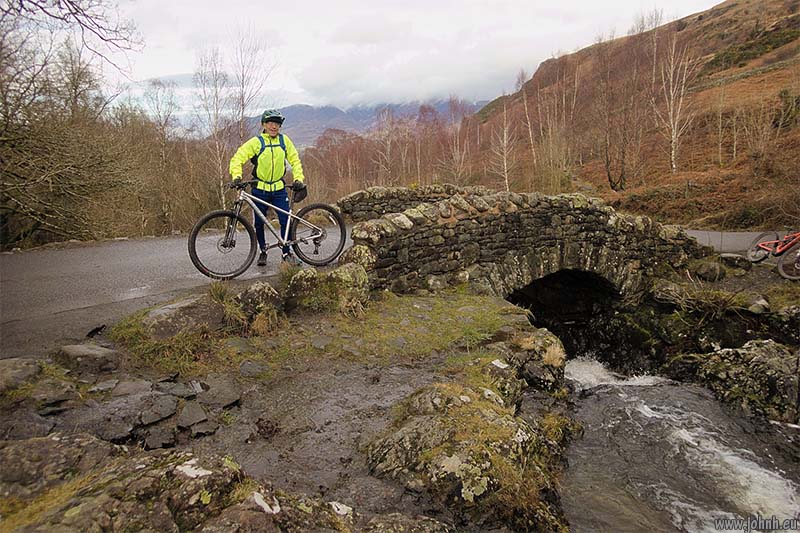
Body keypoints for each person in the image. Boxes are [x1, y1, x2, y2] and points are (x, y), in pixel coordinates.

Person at [229, 109, 308, 266]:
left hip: (279, 189)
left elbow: (295, 160)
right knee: (259, 223)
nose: (274, 126)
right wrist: (236, 176)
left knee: (286, 221)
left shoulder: (284, 141)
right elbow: (237, 158)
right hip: (260, 189)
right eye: (270, 123)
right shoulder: (257, 142)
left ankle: (287, 254)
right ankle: (262, 250)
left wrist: (298, 178)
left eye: (277, 124)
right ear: (264, 125)